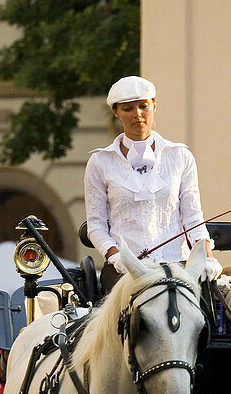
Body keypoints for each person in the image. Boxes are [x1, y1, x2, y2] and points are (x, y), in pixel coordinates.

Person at [84, 75, 222, 292]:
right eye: (128, 109)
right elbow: (96, 225)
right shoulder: (99, 162)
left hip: (177, 264)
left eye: (143, 106)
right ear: (116, 112)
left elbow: (193, 217)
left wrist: (208, 256)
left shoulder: (180, 156)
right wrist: (116, 256)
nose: (137, 114)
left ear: (154, 106)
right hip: (126, 269)